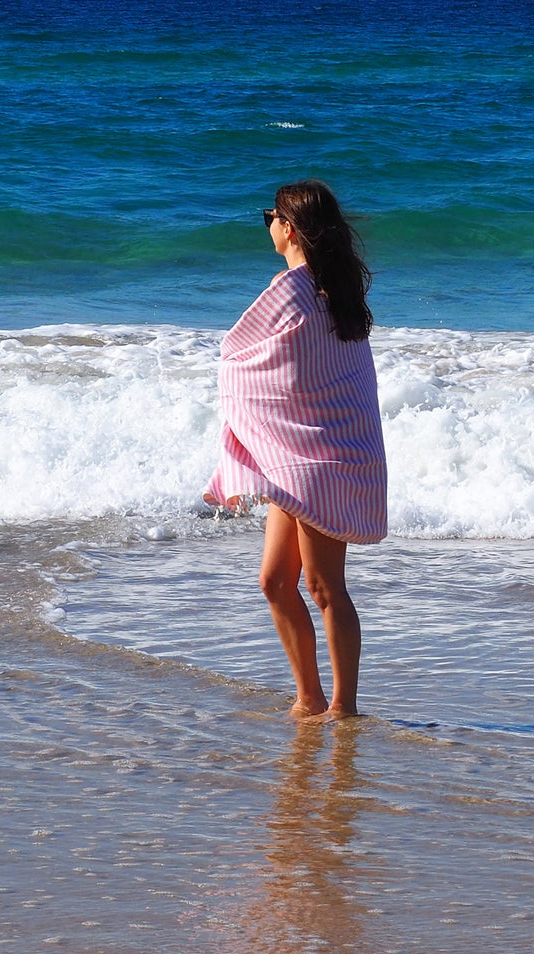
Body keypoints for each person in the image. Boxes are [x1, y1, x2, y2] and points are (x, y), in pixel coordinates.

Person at [204, 180, 387, 719]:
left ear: (290, 227)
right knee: (275, 582)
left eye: (271, 216)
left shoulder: (318, 293)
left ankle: (343, 707)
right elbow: (283, 372)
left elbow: (241, 358)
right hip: (295, 450)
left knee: (324, 585)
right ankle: (308, 697)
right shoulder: (321, 291)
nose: (268, 225)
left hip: (326, 455)